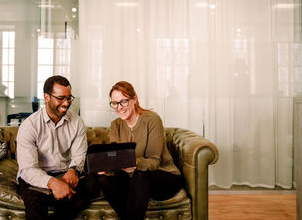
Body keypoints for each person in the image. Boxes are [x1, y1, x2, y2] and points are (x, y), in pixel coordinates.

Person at [97, 81, 182, 220]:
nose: (119, 107)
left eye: (123, 101)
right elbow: (117, 159)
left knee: (140, 175)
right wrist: (106, 167)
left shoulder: (152, 120)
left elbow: (154, 162)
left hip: (164, 176)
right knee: (103, 179)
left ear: (134, 99)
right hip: (133, 179)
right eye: (114, 103)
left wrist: (134, 163)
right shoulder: (115, 125)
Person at [16, 75, 98, 220]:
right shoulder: (29, 126)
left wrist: (74, 170)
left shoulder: (77, 122)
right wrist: (52, 183)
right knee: (35, 204)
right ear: (46, 97)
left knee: (93, 183)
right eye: (61, 98)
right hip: (37, 176)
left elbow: (79, 156)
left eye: (69, 98)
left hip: (64, 173)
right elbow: (27, 169)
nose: (66, 103)